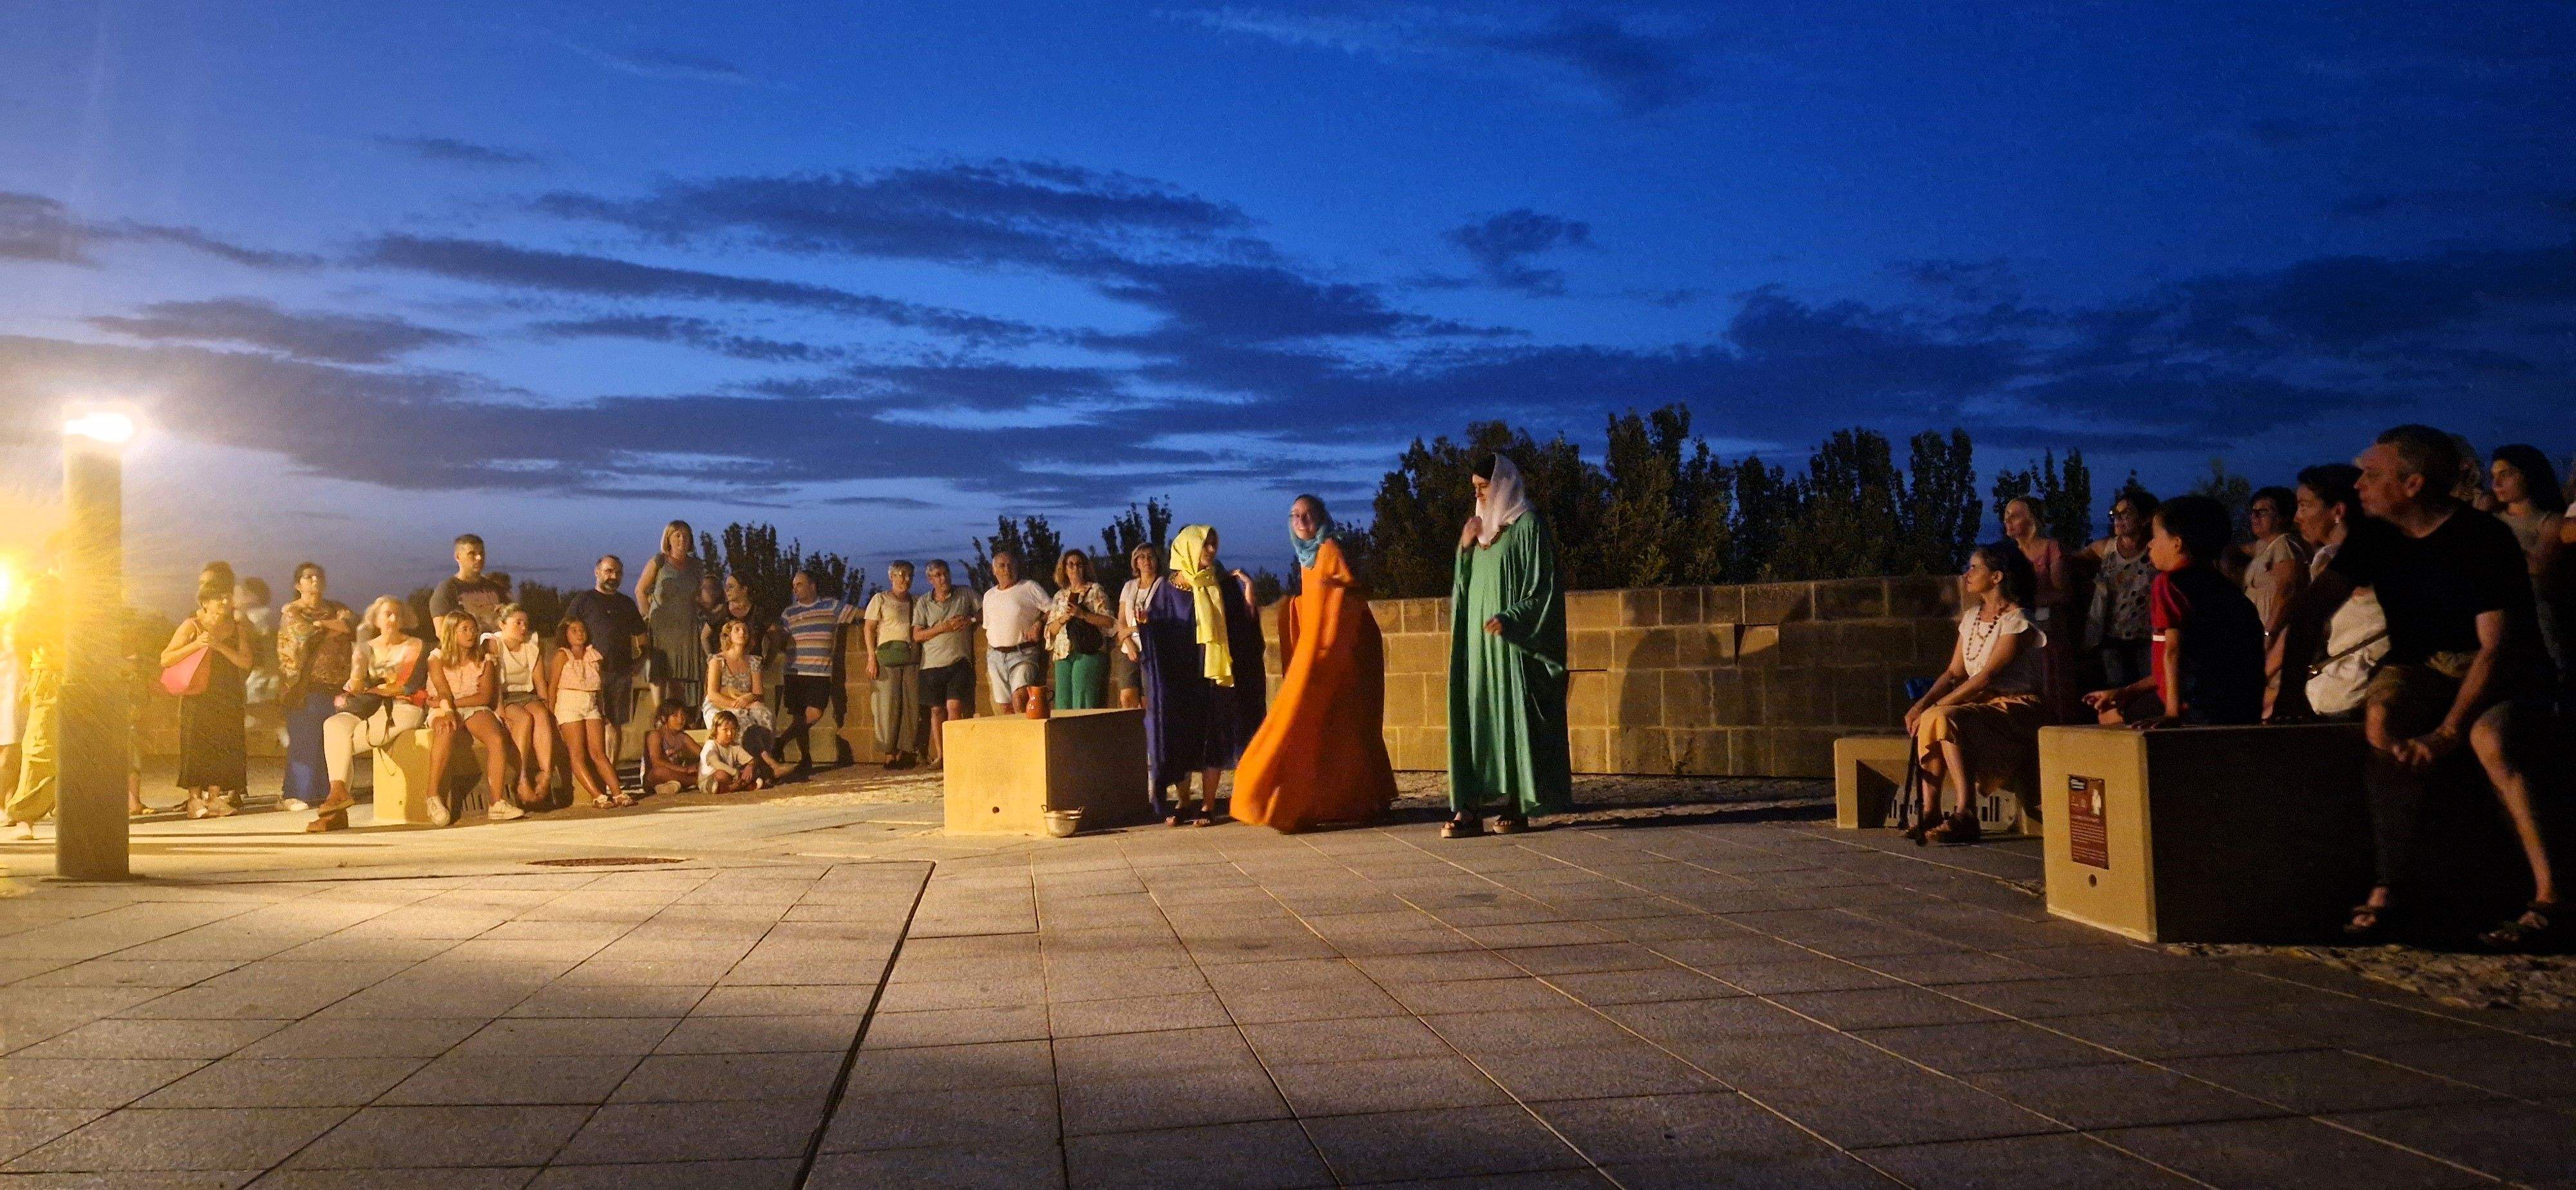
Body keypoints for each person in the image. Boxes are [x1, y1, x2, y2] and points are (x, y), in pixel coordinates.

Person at [2289, 426, 2559, 949]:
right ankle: (2394, 883)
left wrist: (2447, 732)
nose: (2359, 485)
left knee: (2491, 740)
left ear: (2413, 484)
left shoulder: (2481, 537)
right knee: (2381, 720)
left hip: (2495, 666)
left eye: (2372, 475)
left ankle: (2551, 896)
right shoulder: (2375, 536)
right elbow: (2310, 610)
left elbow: (2495, 648)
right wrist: (2285, 697)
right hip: (2419, 664)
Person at [1235, 495, 1397, 833]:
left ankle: (1293, 804)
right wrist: (1294, 607)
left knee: (1314, 722)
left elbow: (1346, 599)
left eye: (1308, 515)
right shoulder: (1307, 557)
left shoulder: (1329, 550)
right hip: (1320, 650)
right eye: (1295, 515)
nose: (1301, 521)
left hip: (1336, 654)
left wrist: (1324, 649)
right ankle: (1331, 803)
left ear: (1321, 517)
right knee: (1330, 728)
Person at [1445, 455, 1572, 837]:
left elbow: (1544, 589)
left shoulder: (1528, 526)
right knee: (1477, 717)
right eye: (1475, 488)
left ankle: (1517, 804)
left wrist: (1514, 619)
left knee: (1513, 718)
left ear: (1502, 484)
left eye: (1484, 487)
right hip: (1479, 647)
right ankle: (1469, 808)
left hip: (1512, 648)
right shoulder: (1478, 532)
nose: (1479, 495)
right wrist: (1464, 550)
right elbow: (1463, 590)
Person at [1902, 543, 2048, 845]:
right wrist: (1922, 705)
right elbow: (1953, 673)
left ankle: (1966, 813)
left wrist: (1937, 706)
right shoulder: (1971, 618)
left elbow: (1986, 677)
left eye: (1974, 568)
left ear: (1996, 577)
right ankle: (1931, 811)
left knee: (1943, 716)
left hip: (2015, 706)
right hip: (1980, 705)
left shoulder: (2018, 621)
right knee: (1935, 715)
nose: (1967, 575)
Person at [2082, 495, 2266, 728]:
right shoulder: (2230, 592)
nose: (2150, 545)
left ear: (2177, 544)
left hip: (2194, 710)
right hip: (2237, 710)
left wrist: (2172, 715)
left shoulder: (2168, 583)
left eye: (2156, 537)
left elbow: (2173, 652)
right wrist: (2126, 691)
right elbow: (2190, 663)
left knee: (2109, 715)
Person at [1137, 525, 1264, 825]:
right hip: (1181, 674)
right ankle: (1183, 802)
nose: (1211, 551)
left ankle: (1208, 804)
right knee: (1180, 733)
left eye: (1213, 545)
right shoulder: (1166, 589)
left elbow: (1241, 629)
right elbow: (1158, 630)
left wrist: (1249, 603)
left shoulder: (1222, 584)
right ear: (1188, 547)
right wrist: (1146, 626)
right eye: (1205, 545)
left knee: (1213, 734)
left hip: (1214, 672)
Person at [2271, 464, 2383, 721]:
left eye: (2304, 506)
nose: (2297, 517)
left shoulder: (2335, 560)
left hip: (2353, 680)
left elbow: (2305, 621)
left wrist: (2271, 680)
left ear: (2338, 511)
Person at [310, 597, 431, 833]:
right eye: (387, 614)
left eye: (397, 614)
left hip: (402, 707)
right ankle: (338, 794)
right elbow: (357, 679)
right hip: (366, 706)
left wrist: (373, 687)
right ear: (376, 620)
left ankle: (336, 809)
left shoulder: (416, 646)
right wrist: (357, 678)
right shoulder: (365, 647)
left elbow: (408, 686)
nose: (393, 619)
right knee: (333, 725)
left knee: (341, 745)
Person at [161, 582, 253, 819]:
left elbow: (245, 662)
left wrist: (218, 646)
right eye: (218, 598)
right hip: (197, 695)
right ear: (204, 603)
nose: (225, 602)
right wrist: (196, 644)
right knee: (195, 745)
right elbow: (166, 659)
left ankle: (214, 797)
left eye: (227, 597)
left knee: (223, 744)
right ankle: (194, 800)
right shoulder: (192, 625)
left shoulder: (237, 629)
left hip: (227, 694)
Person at [2488, 445, 2567, 704]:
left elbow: (2539, 568)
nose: (2497, 483)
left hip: (2534, 608)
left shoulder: (2550, 521)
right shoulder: (2490, 520)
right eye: (2493, 476)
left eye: (2506, 474)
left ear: (2528, 474)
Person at [422, 612, 518, 825]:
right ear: (451, 632)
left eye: (473, 629)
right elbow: (443, 691)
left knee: (496, 738)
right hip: (444, 708)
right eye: (465, 630)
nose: (471, 634)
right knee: (446, 729)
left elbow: (484, 697)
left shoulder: (485, 659)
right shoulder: (436, 657)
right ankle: (433, 796)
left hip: (473, 707)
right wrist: (447, 709)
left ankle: (497, 803)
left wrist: (450, 703)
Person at [274, 563, 353, 814]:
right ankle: (293, 794)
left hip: (336, 686)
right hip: (304, 687)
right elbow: (302, 636)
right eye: (308, 577)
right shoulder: (292, 612)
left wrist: (322, 625)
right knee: (304, 741)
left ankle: (323, 793)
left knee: (329, 742)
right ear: (298, 585)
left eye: (319, 576)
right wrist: (332, 627)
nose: (315, 580)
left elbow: (351, 625)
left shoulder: (336, 607)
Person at [562, 554, 648, 770]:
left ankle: (611, 775)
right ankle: (593, 774)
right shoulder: (583, 601)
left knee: (614, 724)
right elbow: (567, 631)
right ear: (597, 572)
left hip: (620, 672)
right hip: (590, 675)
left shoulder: (626, 604)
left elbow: (642, 636)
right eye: (609, 571)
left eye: (618, 572)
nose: (614, 576)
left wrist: (640, 660)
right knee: (593, 723)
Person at [2000, 496, 2078, 722]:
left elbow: (2063, 593)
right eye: (2006, 515)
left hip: (2047, 627)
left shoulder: (2050, 548)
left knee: (2052, 682)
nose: (2008, 521)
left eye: (2015, 515)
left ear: (2032, 519)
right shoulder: (2006, 555)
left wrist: (2028, 601)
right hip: (2016, 627)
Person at [777, 569, 858, 777]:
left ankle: (780, 742)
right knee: (798, 716)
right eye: (794, 586)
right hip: (795, 672)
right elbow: (780, 639)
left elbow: (857, 614)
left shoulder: (830, 606)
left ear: (812, 586)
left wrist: (879, 613)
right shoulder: (789, 613)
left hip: (820, 673)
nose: (795, 589)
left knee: (814, 714)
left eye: (799, 584)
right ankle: (806, 760)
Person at [2085, 488, 2159, 692]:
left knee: (2148, 689)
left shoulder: (2156, 551)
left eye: (2126, 513)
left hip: (2147, 636)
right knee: (2115, 688)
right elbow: (2075, 560)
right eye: (2115, 513)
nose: (2118, 518)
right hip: (2112, 635)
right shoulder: (2106, 549)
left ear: (2145, 518)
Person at [6, 582, 62, 840]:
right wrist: (33, 676)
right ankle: (24, 816)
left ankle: (63, 806)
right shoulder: (37, 607)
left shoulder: (78, 601)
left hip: (80, 678)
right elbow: (21, 643)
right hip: (49, 675)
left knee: (82, 749)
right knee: (40, 748)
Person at [487, 603, 557, 810]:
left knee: (542, 715)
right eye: (517, 623)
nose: (523, 628)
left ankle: (546, 774)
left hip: (526, 695)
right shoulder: (494, 644)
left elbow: (540, 681)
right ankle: (522, 777)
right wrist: (499, 710)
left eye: (525, 623)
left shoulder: (531, 645)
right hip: (504, 696)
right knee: (524, 719)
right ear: (502, 624)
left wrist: (548, 706)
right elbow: (494, 682)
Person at [910, 560, 979, 768]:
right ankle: (942, 756)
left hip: (958, 661)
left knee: (954, 706)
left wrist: (971, 620)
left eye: (946, 573)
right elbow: (917, 635)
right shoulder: (924, 602)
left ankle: (956, 754)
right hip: (931, 665)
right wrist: (944, 627)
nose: (944, 578)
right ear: (930, 579)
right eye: (938, 575)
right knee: (936, 710)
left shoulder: (965, 593)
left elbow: (986, 611)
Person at [549, 616, 621, 808]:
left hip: (590, 704)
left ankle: (618, 793)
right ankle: (598, 796)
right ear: (565, 634)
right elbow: (552, 686)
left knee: (599, 752)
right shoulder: (562, 656)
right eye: (574, 630)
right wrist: (551, 713)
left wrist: (602, 709)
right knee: (577, 754)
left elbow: (598, 687)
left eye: (582, 630)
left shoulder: (593, 655)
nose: (579, 634)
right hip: (569, 703)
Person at [636, 520, 708, 711]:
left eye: (685, 535)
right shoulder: (659, 562)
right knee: (659, 676)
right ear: (668, 538)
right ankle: (659, 719)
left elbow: (702, 596)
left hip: (686, 629)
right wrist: (648, 618)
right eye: (677, 535)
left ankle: (676, 723)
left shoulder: (696, 566)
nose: (681, 539)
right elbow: (640, 591)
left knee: (679, 680)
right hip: (662, 630)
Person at [863, 561, 922, 769]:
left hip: (911, 657)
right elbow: (869, 628)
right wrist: (872, 657)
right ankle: (889, 751)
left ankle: (905, 750)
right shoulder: (881, 599)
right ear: (892, 577)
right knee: (887, 706)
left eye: (909, 575)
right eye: (901, 575)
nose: (906, 579)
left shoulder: (916, 601)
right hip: (887, 657)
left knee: (910, 705)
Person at [981, 550, 1052, 715]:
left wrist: (1039, 623)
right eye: (1002, 566)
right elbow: (988, 626)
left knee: (1020, 698)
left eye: (1011, 565)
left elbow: (1053, 608)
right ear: (994, 570)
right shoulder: (989, 596)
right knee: (1006, 707)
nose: (1007, 569)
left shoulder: (1029, 587)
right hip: (996, 656)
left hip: (1023, 653)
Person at [1046, 549, 1115, 710]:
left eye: (1079, 564)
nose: (1075, 568)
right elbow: (1050, 631)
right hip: (1063, 653)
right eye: (1070, 565)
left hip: (1088, 650)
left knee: (1082, 700)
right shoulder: (1060, 596)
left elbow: (1109, 622)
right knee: (1063, 704)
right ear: (1064, 569)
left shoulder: (1095, 591)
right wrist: (1064, 618)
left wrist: (1083, 615)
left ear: (1085, 568)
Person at [705, 616, 778, 764]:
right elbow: (712, 694)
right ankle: (752, 762)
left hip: (746, 702)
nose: (742, 633)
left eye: (745, 631)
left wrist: (750, 698)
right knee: (739, 718)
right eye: (737, 630)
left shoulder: (753, 661)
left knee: (765, 714)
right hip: (719, 704)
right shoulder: (717, 661)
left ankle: (764, 761)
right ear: (729, 635)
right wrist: (736, 704)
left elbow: (759, 695)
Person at [2243, 486, 2309, 643]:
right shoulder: (2264, 547)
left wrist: (2268, 636)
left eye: (2263, 512)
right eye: (2253, 512)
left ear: (2282, 517)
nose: (2255, 516)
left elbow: (2288, 590)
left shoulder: (2284, 543)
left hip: (2273, 637)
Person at [428, 534, 512, 633]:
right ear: (458, 557)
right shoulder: (447, 590)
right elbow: (442, 632)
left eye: (481, 553)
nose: (479, 558)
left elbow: (512, 621)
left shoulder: (495, 588)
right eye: (472, 554)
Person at [1112, 542, 1157, 710]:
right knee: (1127, 696)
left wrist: (1134, 630)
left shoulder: (1162, 585)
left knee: (1148, 700)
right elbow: (1121, 619)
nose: (1147, 561)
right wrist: (1129, 642)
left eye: (1150, 557)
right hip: (1129, 646)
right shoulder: (1129, 586)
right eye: (1142, 557)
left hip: (1151, 647)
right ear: (1136, 562)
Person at [234, 576, 280, 709]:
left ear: (252, 597)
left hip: (262, 676)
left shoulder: (258, 616)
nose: (233, 599)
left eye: (239, 594)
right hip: (267, 674)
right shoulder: (269, 615)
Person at [700, 710, 770, 793]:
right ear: (716, 730)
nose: (730, 733)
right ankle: (737, 787)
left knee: (752, 771)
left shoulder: (734, 747)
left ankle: (737, 785)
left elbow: (751, 760)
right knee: (721, 775)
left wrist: (750, 767)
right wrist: (735, 772)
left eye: (733, 729)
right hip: (710, 778)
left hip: (731, 776)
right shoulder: (711, 744)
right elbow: (716, 763)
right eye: (725, 730)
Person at [642, 699, 699, 797]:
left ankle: (668, 787)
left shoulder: (683, 737)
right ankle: (698, 781)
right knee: (659, 772)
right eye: (675, 716)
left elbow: (703, 753)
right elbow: (656, 762)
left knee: (702, 766)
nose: (680, 720)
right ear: (664, 718)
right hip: (654, 777)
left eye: (683, 715)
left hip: (678, 774)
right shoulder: (656, 735)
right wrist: (684, 770)